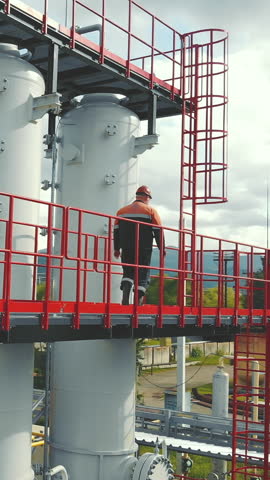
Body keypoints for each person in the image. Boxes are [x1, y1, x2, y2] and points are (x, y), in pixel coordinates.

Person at [113, 185, 165, 305]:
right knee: (142, 273)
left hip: (126, 248)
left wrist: (116, 248)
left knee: (128, 272)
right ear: (147, 197)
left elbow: (116, 231)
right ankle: (138, 302)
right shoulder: (151, 211)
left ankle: (125, 298)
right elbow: (158, 231)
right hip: (144, 248)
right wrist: (162, 248)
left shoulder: (121, 211)